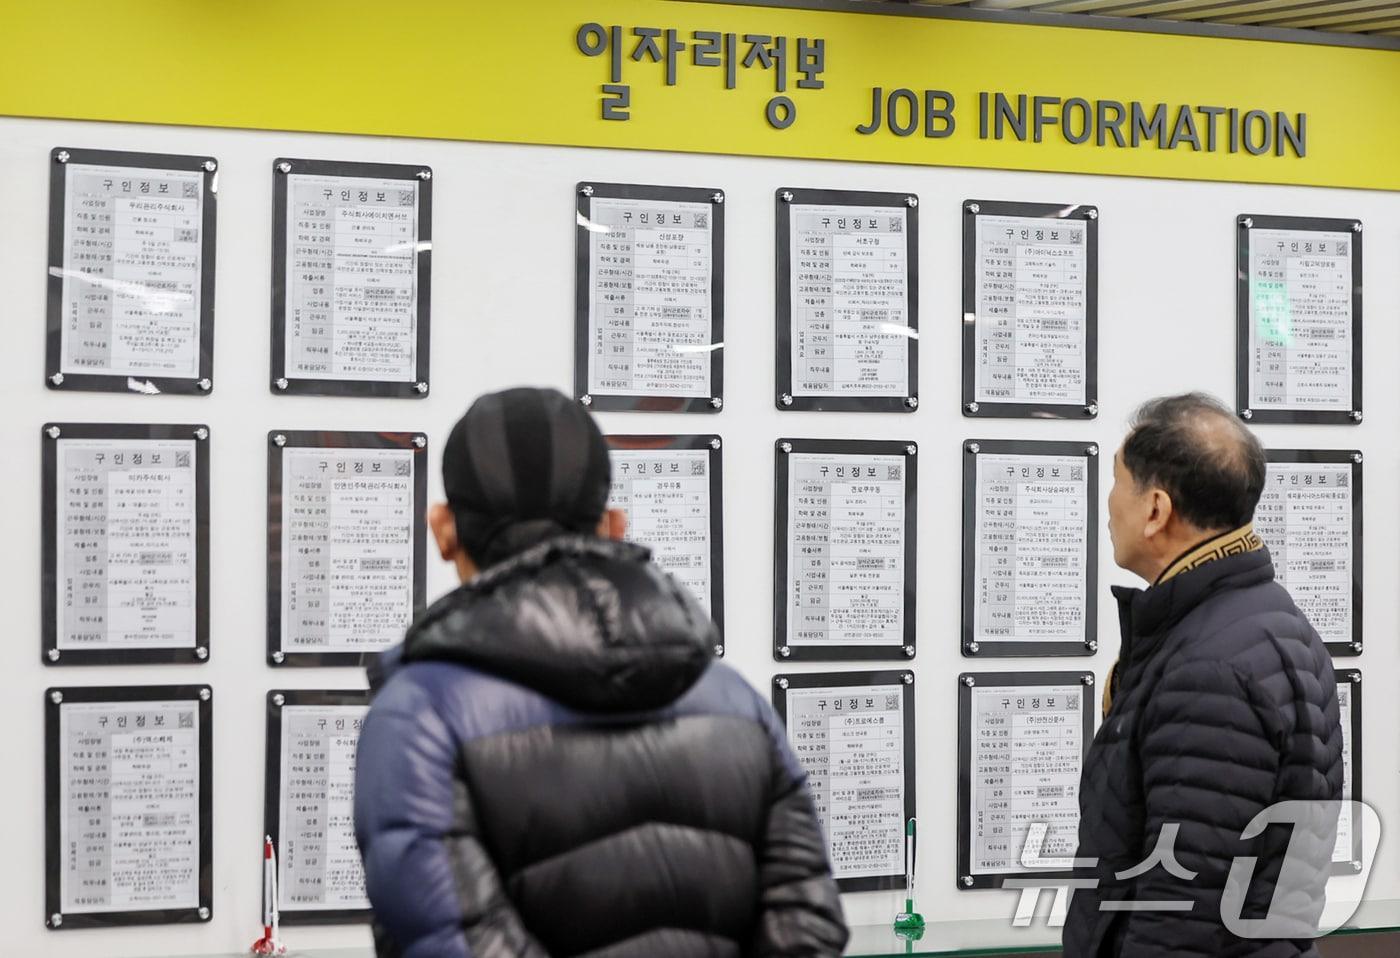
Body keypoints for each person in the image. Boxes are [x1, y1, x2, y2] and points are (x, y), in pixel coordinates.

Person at [353, 386, 847, 958]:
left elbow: (457, 944)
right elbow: (807, 925)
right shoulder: (733, 700)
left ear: (443, 529)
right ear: (613, 525)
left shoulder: (419, 716)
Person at [1064, 393, 1343, 958]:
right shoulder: (1267, 620)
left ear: (1156, 509)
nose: (1109, 502)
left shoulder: (1209, 666)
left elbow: (1180, 907)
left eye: (1118, 482)